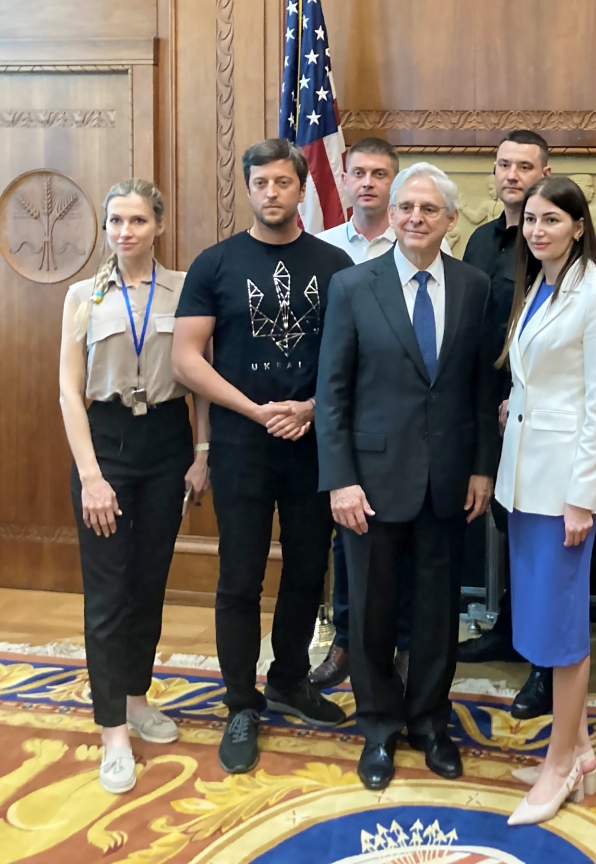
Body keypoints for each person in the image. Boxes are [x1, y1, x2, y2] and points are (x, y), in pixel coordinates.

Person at [171, 139, 353, 775]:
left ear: (302, 188)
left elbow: (349, 358)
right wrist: (255, 410)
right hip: (243, 444)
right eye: (261, 182)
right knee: (240, 577)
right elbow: (186, 358)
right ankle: (241, 702)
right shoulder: (214, 264)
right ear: (247, 189)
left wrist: (304, 408)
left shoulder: (336, 265)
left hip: (312, 442)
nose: (272, 192)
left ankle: (290, 678)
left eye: (283, 181)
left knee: (308, 570)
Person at [315, 162, 499, 791]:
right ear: (391, 216)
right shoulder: (353, 286)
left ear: (451, 219)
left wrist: (481, 468)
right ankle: (378, 727)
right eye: (405, 208)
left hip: (447, 480)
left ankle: (429, 722)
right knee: (370, 611)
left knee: (437, 613)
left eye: (428, 209)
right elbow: (331, 391)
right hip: (369, 482)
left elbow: (480, 387)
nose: (415, 218)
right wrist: (339, 479)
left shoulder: (474, 286)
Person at [59, 179, 211, 794]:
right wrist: (92, 477)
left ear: (159, 226)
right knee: (108, 592)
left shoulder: (183, 291)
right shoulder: (83, 295)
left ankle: (137, 697)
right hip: (108, 445)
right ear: (106, 228)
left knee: (149, 583)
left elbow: (198, 378)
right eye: (116, 221)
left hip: (168, 445)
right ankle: (112, 732)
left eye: (138, 220)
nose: (126, 232)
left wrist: (201, 455)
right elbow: (70, 391)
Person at [495, 177, 596, 825]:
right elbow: (542, 380)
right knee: (540, 625)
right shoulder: (540, 287)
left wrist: (584, 496)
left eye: (552, 220)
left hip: (563, 493)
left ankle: (559, 765)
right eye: (531, 220)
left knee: (564, 631)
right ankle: (577, 746)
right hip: (524, 480)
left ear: (579, 225)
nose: (538, 230)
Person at [312, 137, 420, 691]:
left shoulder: (415, 245)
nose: (369, 183)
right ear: (346, 180)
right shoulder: (325, 249)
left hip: (405, 429)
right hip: (344, 423)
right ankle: (347, 643)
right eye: (360, 173)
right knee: (349, 545)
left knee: (403, 553)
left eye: (382, 174)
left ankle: (399, 645)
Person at [458, 130, 555, 721]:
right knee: (505, 519)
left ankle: (545, 663)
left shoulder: (552, 238)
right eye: (503, 165)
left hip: (539, 406)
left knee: (540, 529)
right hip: (485, 401)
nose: (512, 175)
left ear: (545, 170)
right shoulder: (478, 240)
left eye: (524, 165)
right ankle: (510, 629)